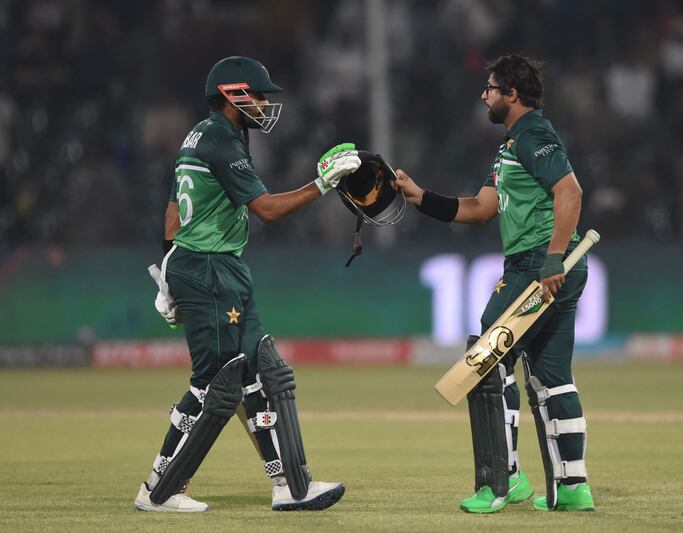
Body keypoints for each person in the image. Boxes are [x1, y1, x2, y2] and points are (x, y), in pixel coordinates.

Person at [134, 56, 362, 513]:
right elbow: (268, 210)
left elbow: (173, 211)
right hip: (210, 268)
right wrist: (323, 184)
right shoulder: (220, 138)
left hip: (209, 265)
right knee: (215, 384)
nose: (264, 103)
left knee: (264, 371)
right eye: (257, 95)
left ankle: (292, 487)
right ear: (232, 95)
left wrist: (168, 269)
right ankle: (159, 490)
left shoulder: (202, 134)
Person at [394, 54, 595, 513]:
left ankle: (501, 483)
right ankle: (572, 488)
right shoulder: (510, 147)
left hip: (536, 266)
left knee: (486, 361)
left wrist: (551, 259)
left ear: (513, 94)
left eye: (490, 88)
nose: (483, 95)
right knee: (553, 378)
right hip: (550, 265)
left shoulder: (533, 135)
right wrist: (419, 196)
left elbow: (571, 191)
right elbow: (479, 209)